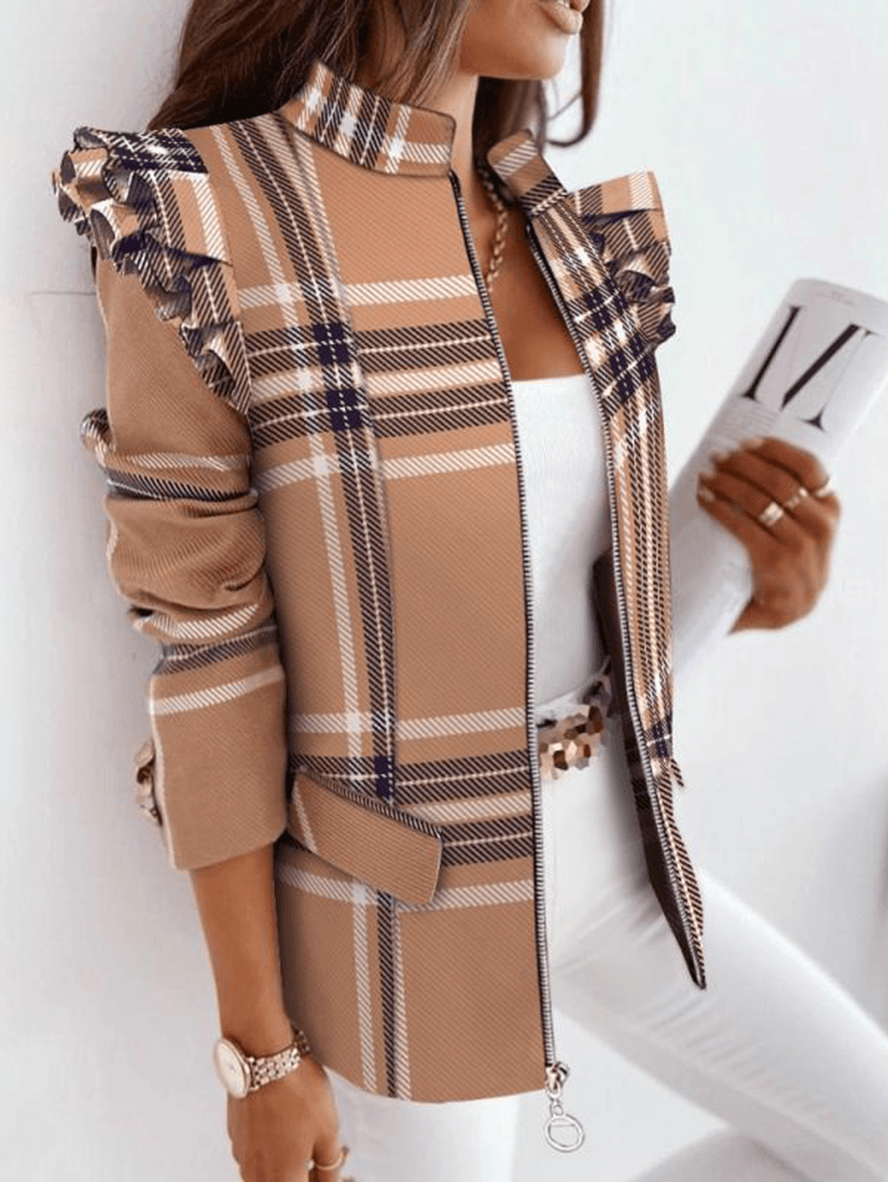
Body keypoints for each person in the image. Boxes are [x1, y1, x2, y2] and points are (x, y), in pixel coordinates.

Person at [49, 2, 888, 1180]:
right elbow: (209, 650)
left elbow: (546, 575)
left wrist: (753, 589)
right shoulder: (203, 215)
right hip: (405, 901)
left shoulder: (565, 235)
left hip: (618, 853)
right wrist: (260, 1048)